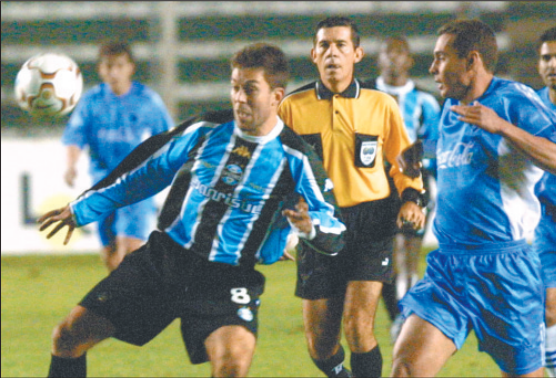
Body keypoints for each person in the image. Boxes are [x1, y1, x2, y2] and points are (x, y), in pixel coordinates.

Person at [38, 43, 347, 378]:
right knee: (67, 337)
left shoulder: (296, 157)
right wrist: (81, 208)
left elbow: (335, 229)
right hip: (165, 260)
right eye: (235, 87)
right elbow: (143, 172)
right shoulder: (205, 130)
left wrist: (308, 228)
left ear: (276, 95)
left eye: (250, 89)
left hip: (229, 277)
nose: (240, 98)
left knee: (231, 366)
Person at [391, 19, 556, 378]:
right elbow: (465, 155)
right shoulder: (451, 110)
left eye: (441, 58)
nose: (433, 68)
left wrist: (503, 126)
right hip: (449, 268)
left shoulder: (513, 100)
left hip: (505, 269)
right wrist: (421, 152)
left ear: (471, 61)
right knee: (406, 369)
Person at [278, 16, 425, 378]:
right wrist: (278, 226)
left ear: (356, 53)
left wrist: (411, 198)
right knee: (320, 345)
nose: (333, 53)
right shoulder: (292, 108)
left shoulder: (382, 104)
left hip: (371, 222)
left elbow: (405, 160)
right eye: (325, 45)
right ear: (314, 54)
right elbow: (276, 174)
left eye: (341, 45)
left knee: (358, 326)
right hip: (318, 227)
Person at [61, 41, 174, 271]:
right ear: (100, 68)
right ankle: (128, 304)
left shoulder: (147, 101)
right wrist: (71, 165)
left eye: (119, 66)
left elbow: (169, 139)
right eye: (108, 66)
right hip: (102, 186)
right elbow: (75, 136)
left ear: (130, 68)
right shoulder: (91, 102)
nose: (113, 72)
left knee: (130, 253)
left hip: (137, 185)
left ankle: (138, 303)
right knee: (111, 258)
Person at [364, 36, 441, 342]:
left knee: (405, 254)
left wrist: (423, 173)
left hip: (413, 187)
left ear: (409, 61)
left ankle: (405, 318)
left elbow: (438, 147)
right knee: (381, 257)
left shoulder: (425, 101)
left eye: (399, 54)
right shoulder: (364, 96)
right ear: (379, 59)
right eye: (387, 53)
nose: (393, 60)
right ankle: (400, 316)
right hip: (372, 189)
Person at [534, 26, 556, 378]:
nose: (552, 64)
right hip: (548, 225)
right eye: (546, 58)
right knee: (550, 309)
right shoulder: (529, 106)